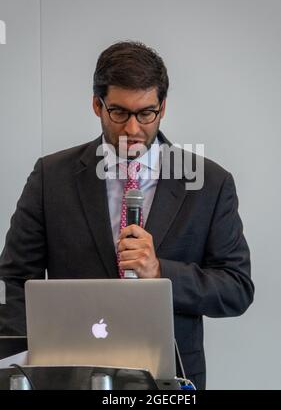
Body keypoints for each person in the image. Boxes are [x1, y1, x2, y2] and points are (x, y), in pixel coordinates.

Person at [0, 41, 254, 389]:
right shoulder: (51, 176)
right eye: (119, 113)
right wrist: (24, 364)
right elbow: (12, 279)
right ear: (97, 105)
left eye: (145, 113)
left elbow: (236, 288)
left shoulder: (209, 182)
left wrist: (160, 271)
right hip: (69, 375)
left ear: (162, 108)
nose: (133, 129)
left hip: (169, 380)